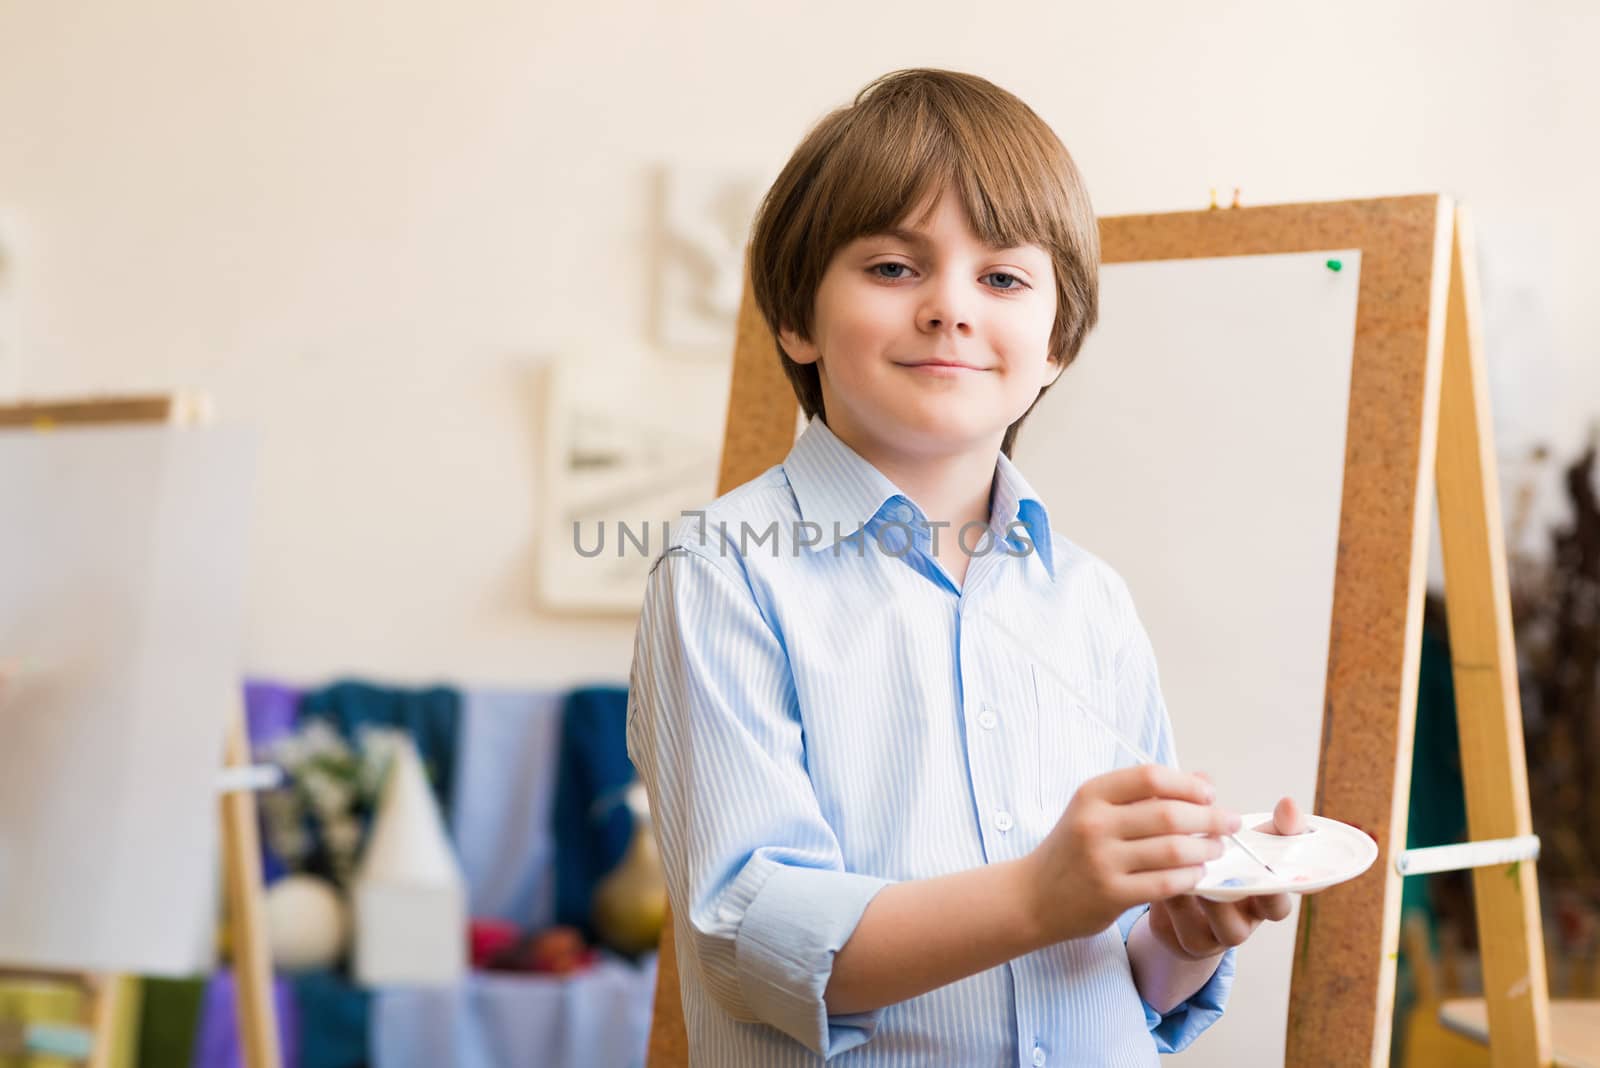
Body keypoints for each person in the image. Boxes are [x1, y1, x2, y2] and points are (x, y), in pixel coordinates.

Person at [626, 68, 1306, 1066]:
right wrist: (1038, 896)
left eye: (1002, 278)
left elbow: (1119, 974)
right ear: (797, 318)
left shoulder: (1089, 600)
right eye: (894, 268)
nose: (950, 307)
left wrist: (1181, 931)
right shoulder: (722, 573)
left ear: (1056, 343)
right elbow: (753, 940)